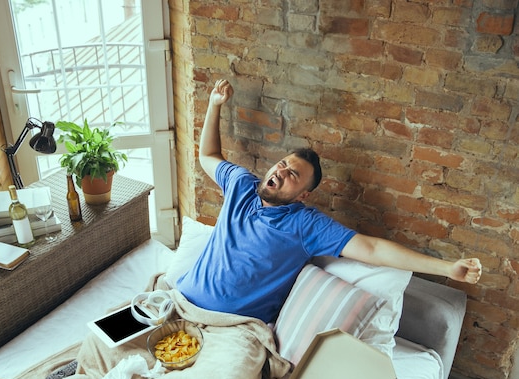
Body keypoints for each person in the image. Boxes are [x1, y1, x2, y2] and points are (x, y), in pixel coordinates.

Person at [175, 79, 482, 323]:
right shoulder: (241, 185)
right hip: (179, 302)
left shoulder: (305, 224)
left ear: (303, 195)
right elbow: (209, 156)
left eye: (293, 174)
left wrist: (447, 268)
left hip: (233, 327)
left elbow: (372, 249)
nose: (281, 171)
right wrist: (215, 105)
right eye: (282, 164)